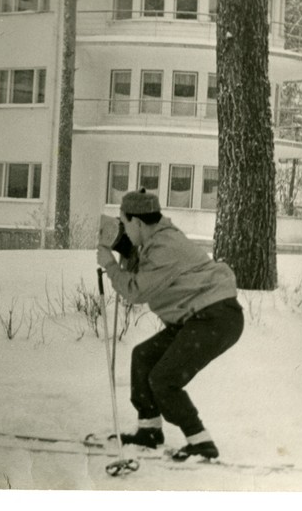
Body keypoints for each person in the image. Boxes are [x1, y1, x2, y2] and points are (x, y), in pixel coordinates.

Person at [96, 188, 244, 460]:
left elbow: (135, 291)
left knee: (164, 379)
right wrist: (128, 254)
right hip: (197, 317)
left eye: (124, 223)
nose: (123, 230)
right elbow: (143, 272)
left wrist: (110, 265)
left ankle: (200, 442)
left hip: (215, 316)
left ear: (138, 222)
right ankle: (149, 431)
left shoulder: (165, 247)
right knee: (143, 357)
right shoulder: (155, 241)